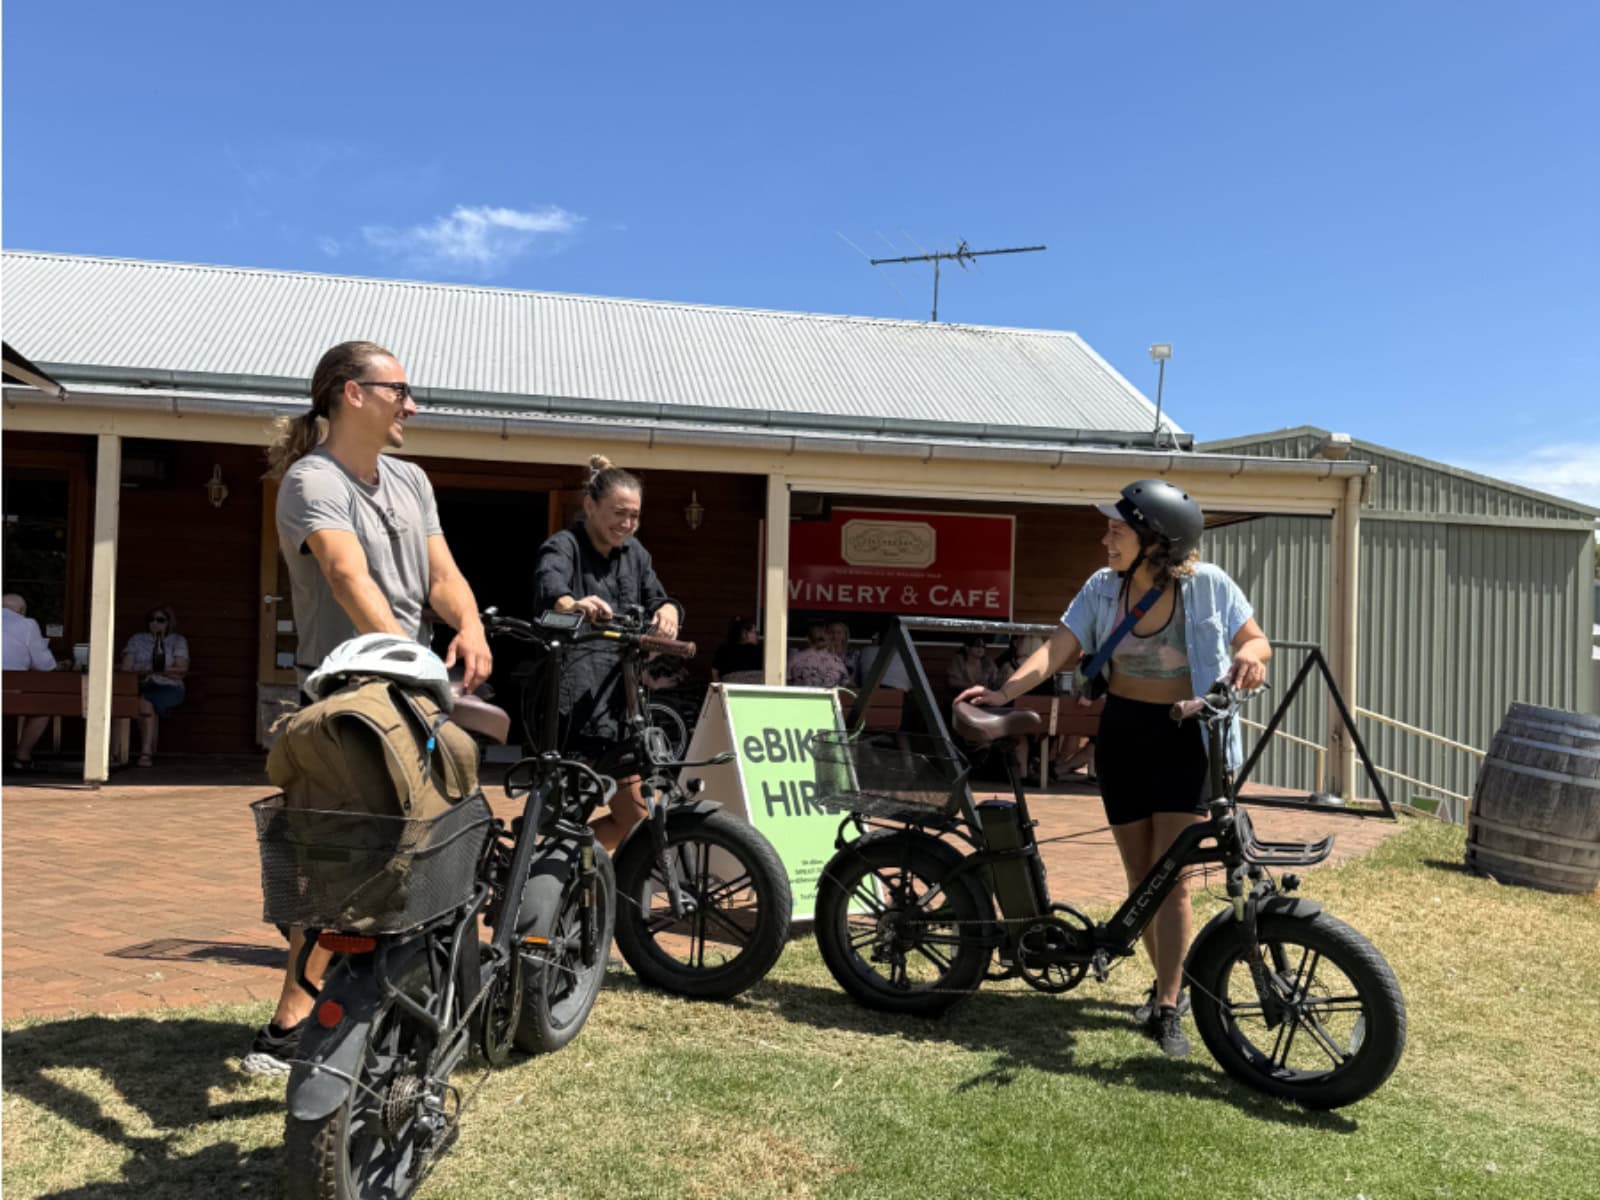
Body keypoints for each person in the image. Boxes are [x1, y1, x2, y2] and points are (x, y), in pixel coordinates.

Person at [246, 339, 492, 1076]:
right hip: (344, 700)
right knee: (335, 857)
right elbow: (348, 575)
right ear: (353, 394)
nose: (410, 405)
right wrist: (411, 657)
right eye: (399, 391)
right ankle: (291, 1023)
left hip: (414, 693)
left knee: (432, 843)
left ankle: (414, 1000)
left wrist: (470, 624)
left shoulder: (411, 480)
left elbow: (441, 573)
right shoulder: (309, 482)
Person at [958, 479, 1270, 1060]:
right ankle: (1164, 986)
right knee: (1141, 879)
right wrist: (1007, 691)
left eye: (1117, 529)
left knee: (1171, 881)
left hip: (1188, 739)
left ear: (1156, 539)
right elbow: (1059, 648)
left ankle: (1168, 1002)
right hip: (1125, 733)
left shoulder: (1209, 587)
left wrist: (1250, 656)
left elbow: (1255, 640)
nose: (1106, 538)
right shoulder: (1103, 589)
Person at [533, 454, 683, 852]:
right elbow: (551, 592)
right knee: (565, 817)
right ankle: (540, 882)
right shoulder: (563, 546)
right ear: (589, 506)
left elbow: (659, 599)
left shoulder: (636, 554)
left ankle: (569, 871)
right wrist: (573, 604)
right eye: (619, 513)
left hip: (622, 703)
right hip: (573, 705)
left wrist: (668, 611)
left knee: (636, 818)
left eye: (634, 516)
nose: (628, 524)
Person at [118, 606, 190, 767]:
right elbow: (127, 668)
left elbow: (182, 670)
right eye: (151, 619)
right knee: (141, 701)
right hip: (141, 684)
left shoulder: (177, 640)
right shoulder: (137, 639)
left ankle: (146, 753)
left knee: (145, 702)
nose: (155, 623)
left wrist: (157, 671)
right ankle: (145, 752)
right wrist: (156, 670)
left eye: (160, 620)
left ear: (169, 622)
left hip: (169, 687)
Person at [3, 593, 58, 770]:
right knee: (43, 708)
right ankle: (22, 756)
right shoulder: (27, 624)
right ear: (21, 610)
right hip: (11, 693)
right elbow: (45, 665)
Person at [787, 622, 851, 688]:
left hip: (799, 697)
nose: (835, 636)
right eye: (831, 633)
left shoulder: (795, 659)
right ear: (827, 640)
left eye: (839, 633)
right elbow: (845, 685)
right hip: (827, 697)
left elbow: (785, 681)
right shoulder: (837, 662)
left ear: (808, 639)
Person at [712, 616, 764, 685]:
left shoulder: (723, 649)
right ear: (743, 633)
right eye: (755, 632)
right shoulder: (759, 650)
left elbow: (714, 673)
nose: (757, 636)